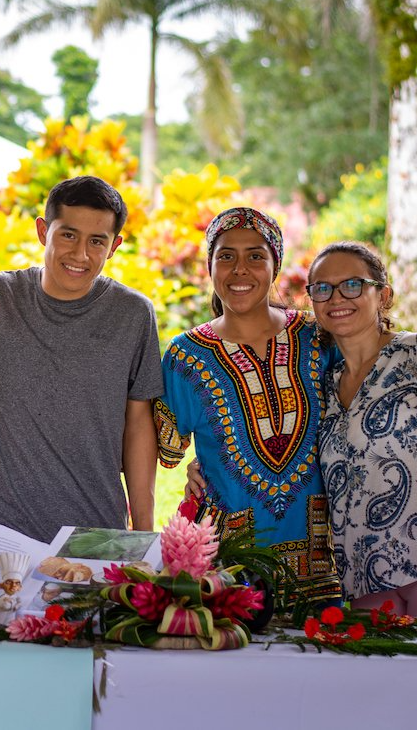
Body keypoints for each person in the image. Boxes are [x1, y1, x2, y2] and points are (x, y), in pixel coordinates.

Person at [156, 207, 341, 605]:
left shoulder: (318, 337)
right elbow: (166, 452)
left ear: (275, 265)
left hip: (325, 564)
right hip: (229, 571)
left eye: (256, 255)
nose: (240, 269)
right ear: (210, 266)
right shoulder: (185, 357)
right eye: (226, 256)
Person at [0, 175, 163, 542]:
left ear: (115, 246)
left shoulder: (133, 314)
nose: (80, 255)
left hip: (96, 530)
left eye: (97, 242)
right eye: (68, 235)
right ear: (43, 231)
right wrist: (23, 420)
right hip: (2, 529)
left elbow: (139, 424)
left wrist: (143, 537)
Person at [307, 241, 417, 616]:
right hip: (360, 585)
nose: (336, 297)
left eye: (352, 284)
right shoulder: (324, 383)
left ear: (383, 295)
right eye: (322, 288)